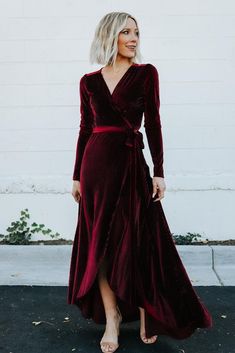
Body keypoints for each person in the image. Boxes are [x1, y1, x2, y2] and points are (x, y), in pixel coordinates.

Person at [67, 11, 212, 353]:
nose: (134, 39)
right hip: (95, 168)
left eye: (137, 33)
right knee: (99, 244)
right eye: (126, 32)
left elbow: (154, 123)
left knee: (137, 239)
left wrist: (159, 170)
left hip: (131, 165)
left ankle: (147, 308)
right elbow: (85, 130)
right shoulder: (88, 81)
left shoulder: (146, 74)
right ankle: (113, 316)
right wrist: (76, 175)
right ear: (110, 36)